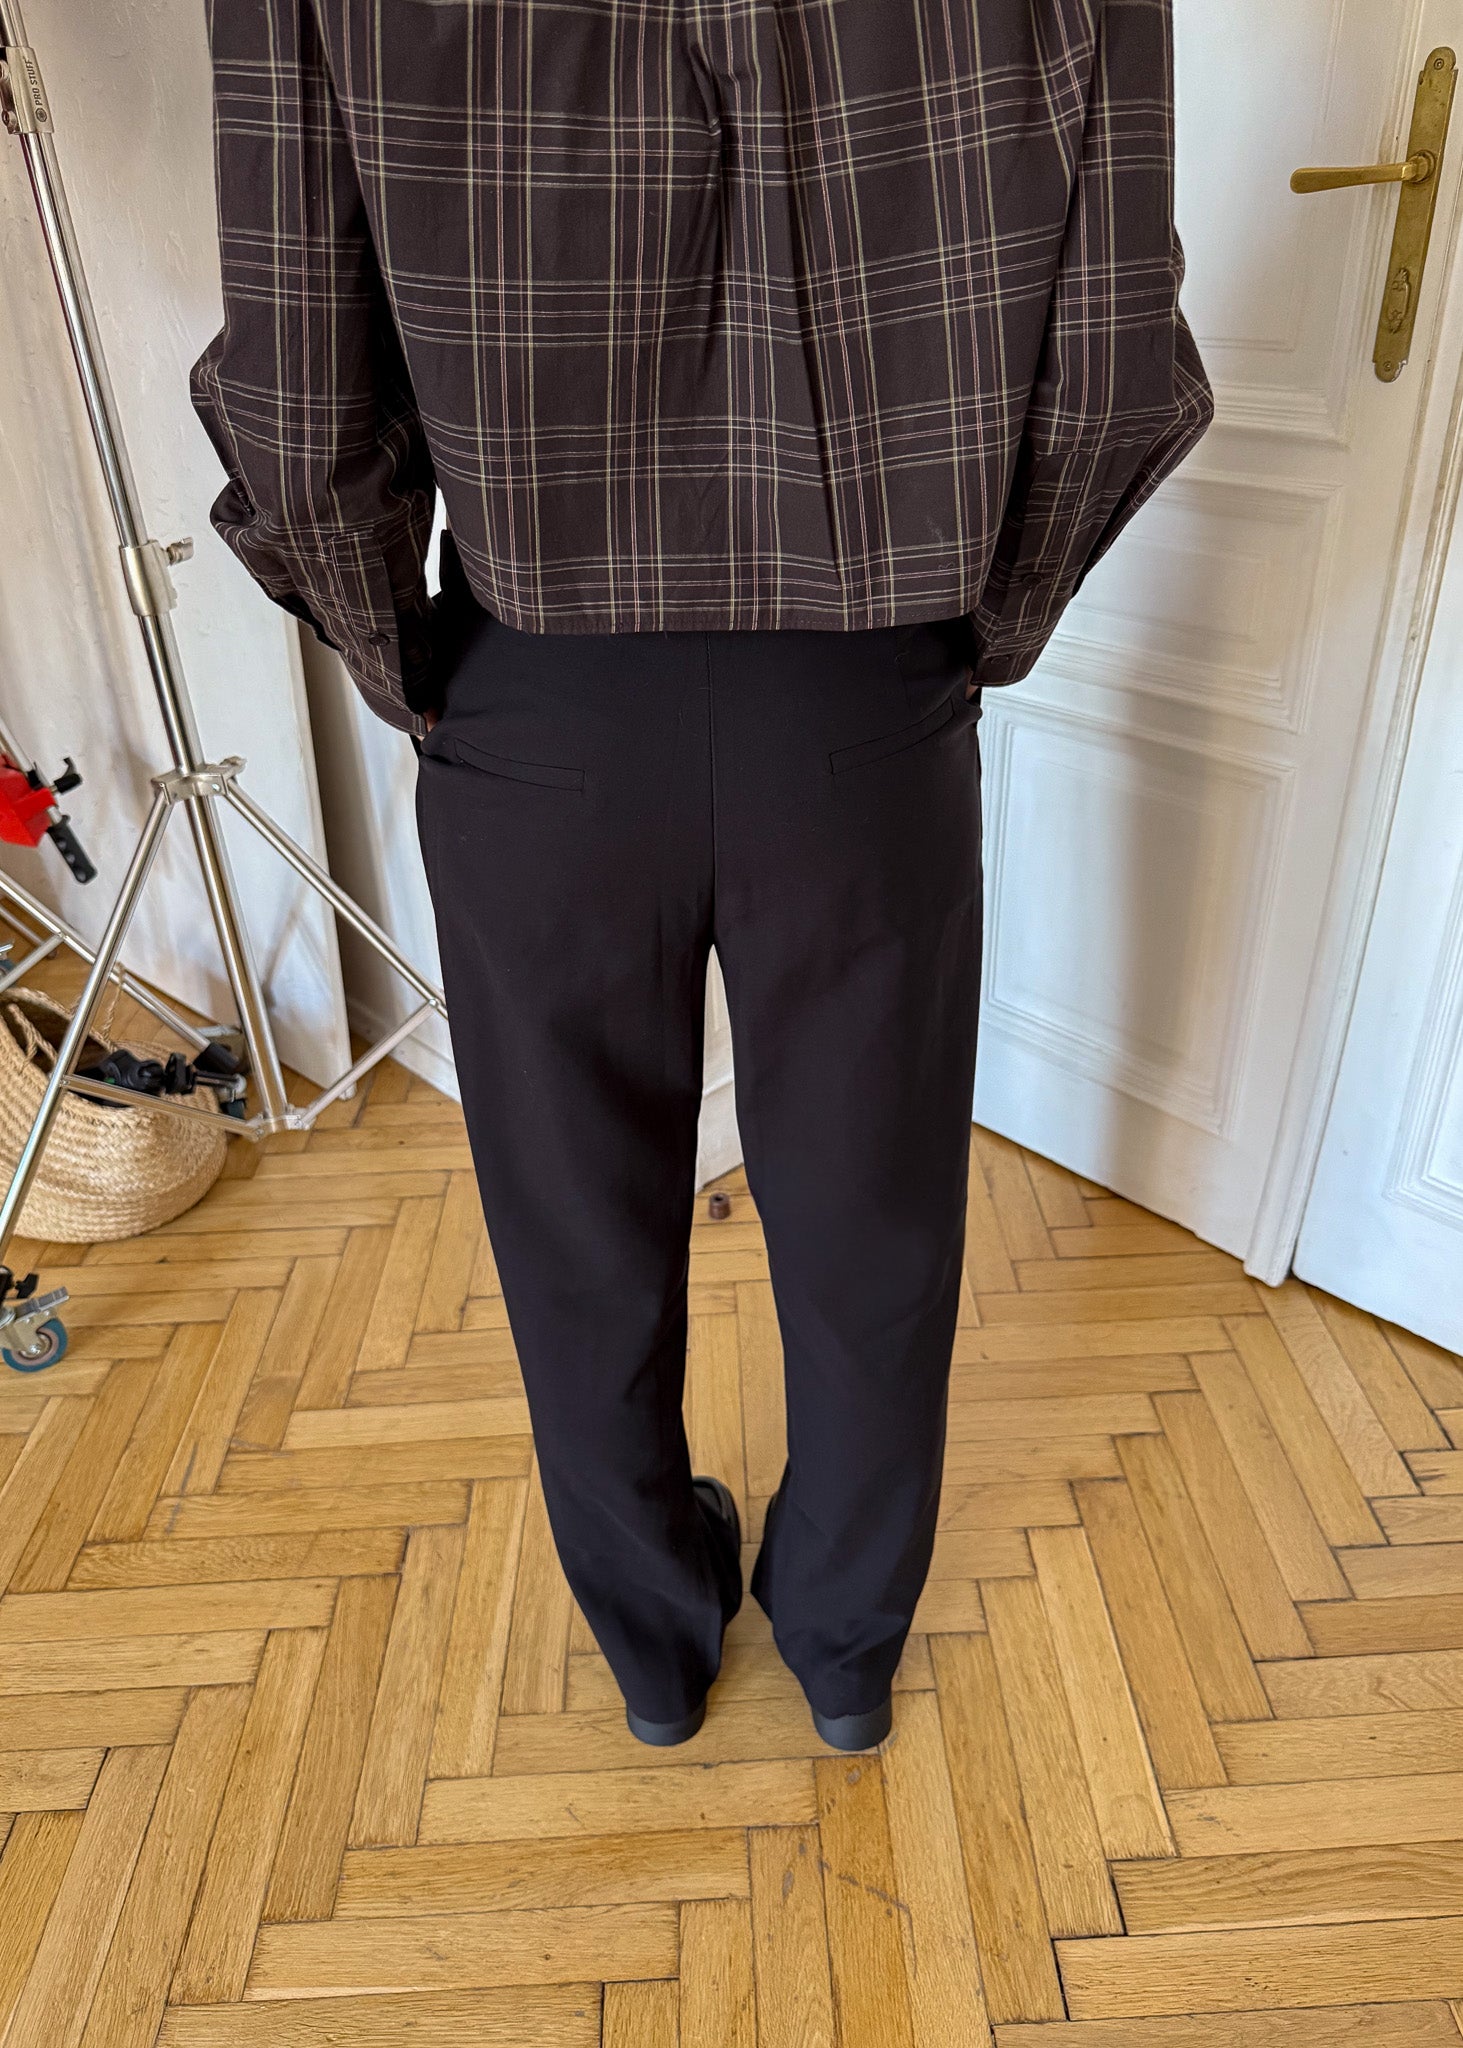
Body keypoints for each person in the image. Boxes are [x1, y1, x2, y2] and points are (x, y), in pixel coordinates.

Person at [191, 0, 1211, 1753]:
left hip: (539, 694)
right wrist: (977, 628)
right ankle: (844, 1652)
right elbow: (1118, 369)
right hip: (866, 697)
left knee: (572, 1232)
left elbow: (294, 401)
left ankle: (657, 1655)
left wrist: (408, 654)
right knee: (875, 1224)